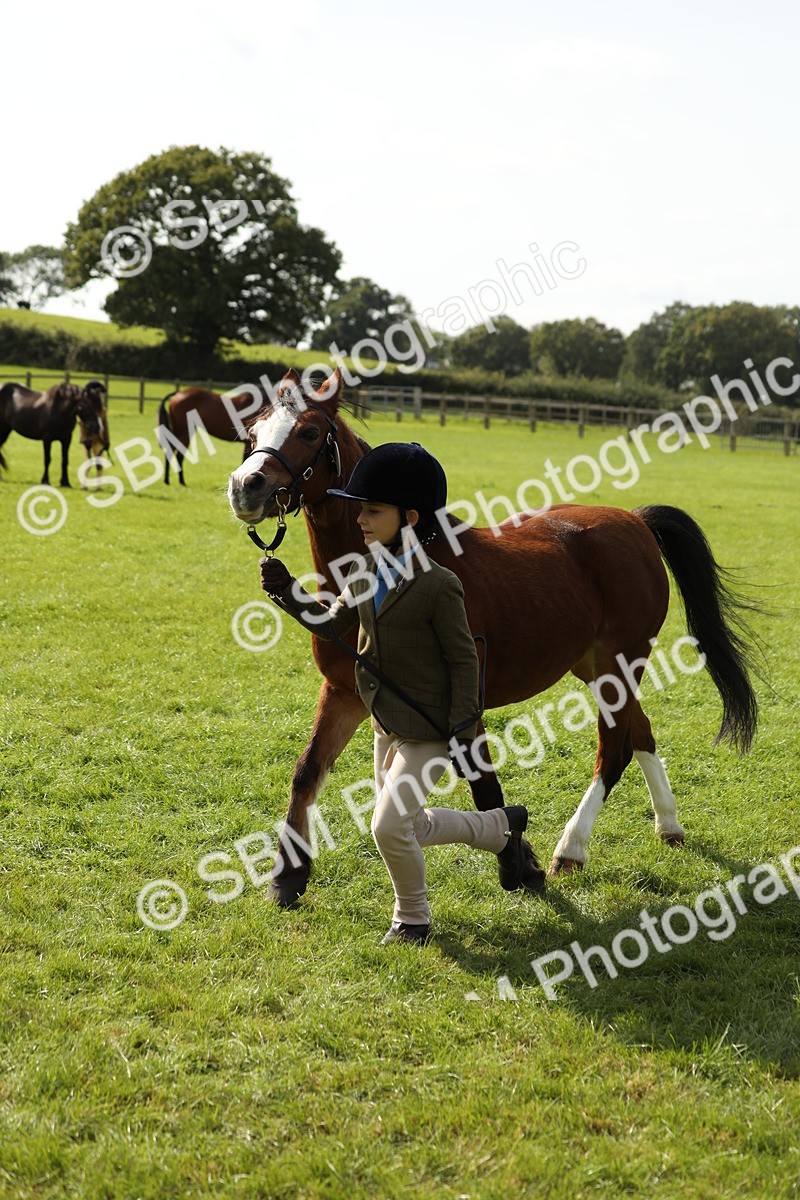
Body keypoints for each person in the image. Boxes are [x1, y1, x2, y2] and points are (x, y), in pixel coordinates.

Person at [259, 442, 544, 945]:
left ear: (409, 517)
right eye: (360, 509)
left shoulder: (440, 585)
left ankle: (412, 919)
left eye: (372, 511)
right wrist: (288, 594)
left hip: (430, 730)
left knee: (388, 827)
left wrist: (460, 731)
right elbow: (330, 627)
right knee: (408, 825)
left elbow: (463, 660)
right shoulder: (364, 571)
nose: (360, 520)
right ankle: (502, 829)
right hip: (386, 724)